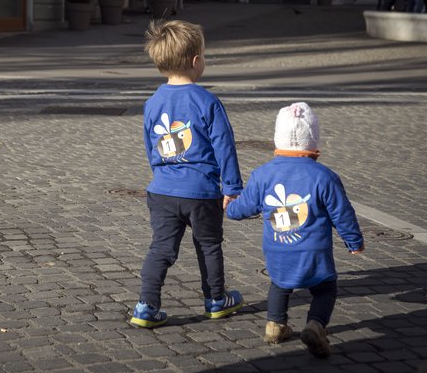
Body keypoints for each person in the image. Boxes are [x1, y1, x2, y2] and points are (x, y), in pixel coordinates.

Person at [226, 103, 364, 358]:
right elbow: (342, 213)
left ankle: (274, 325)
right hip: (314, 250)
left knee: (280, 284)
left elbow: (243, 207)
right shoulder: (324, 176)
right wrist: (353, 241)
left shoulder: (263, 174)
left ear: (277, 140)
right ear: (313, 140)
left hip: (277, 247)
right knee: (325, 288)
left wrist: (230, 208)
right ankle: (315, 325)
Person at [130, 20, 245, 328]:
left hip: (163, 191)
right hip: (202, 192)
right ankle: (216, 299)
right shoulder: (207, 101)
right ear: (196, 61)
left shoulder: (153, 101)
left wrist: (161, 174)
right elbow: (225, 146)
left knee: (161, 249)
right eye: (204, 55)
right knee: (208, 245)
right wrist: (232, 187)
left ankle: (146, 305)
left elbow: (150, 144)